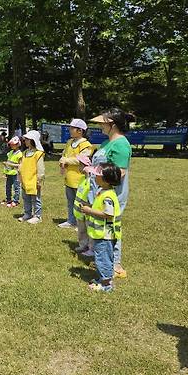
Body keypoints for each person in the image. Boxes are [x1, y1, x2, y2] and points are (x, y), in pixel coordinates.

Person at [88, 108, 134, 279]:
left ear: (112, 125)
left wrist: (99, 177)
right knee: (101, 226)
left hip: (112, 194)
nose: (100, 125)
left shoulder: (121, 144)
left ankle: (115, 264)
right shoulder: (106, 143)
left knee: (111, 227)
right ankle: (104, 259)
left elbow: (119, 172)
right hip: (99, 192)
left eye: (103, 123)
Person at [81, 163, 123, 292]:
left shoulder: (108, 196)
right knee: (102, 256)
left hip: (105, 235)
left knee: (102, 258)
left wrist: (89, 211)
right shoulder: (102, 190)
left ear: (105, 179)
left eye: (97, 175)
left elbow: (108, 214)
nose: (94, 176)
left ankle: (106, 284)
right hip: (100, 233)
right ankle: (103, 278)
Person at [58, 119, 93, 229]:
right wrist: (62, 159)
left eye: (72, 128)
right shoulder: (69, 142)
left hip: (80, 178)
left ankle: (81, 223)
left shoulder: (86, 144)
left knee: (81, 202)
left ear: (80, 131)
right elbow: (64, 154)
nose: (70, 130)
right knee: (70, 201)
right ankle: (71, 220)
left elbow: (81, 160)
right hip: (69, 177)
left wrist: (66, 161)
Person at [18, 130, 45, 224]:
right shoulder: (25, 153)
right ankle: (27, 213)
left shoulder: (38, 154)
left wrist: (39, 180)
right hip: (25, 179)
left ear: (33, 140)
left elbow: (41, 169)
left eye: (27, 139)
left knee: (35, 199)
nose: (24, 141)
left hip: (34, 180)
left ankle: (37, 216)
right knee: (26, 198)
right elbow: (22, 165)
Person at [72, 154, 94, 257]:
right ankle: (83, 244)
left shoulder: (91, 181)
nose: (79, 168)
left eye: (80, 165)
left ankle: (91, 248)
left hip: (88, 211)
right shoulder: (82, 179)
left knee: (89, 230)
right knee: (81, 230)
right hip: (79, 212)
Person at [2, 136, 22, 208]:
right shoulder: (10, 152)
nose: (11, 145)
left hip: (16, 173)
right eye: (10, 144)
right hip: (9, 173)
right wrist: (5, 167)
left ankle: (15, 200)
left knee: (16, 187)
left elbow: (20, 165)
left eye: (13, 144)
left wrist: (10, 164)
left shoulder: (20, 154)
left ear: (17, 145)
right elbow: (8, 161)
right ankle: (8, 200)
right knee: (8, 187)